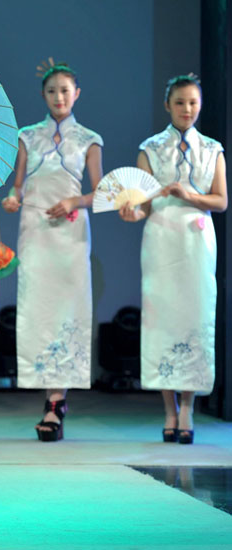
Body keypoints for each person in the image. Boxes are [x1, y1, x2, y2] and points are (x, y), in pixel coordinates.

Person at [119, 74, 226, 444]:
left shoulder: (213, 149)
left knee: (195, 319)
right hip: (162, 238)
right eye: (180, 102)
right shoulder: (150, 148)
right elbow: (143, 203)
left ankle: (188, 409)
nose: (187, 109)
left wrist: (192, 195)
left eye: (193, 103)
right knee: (162, 318)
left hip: (196, 241)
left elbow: (221, 200)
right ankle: (168, 409)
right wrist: (133, 211)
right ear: (168, 105)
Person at [2, 64, 103, 441]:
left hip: (71, 234)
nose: (59, 98)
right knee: (38, 311)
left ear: (77, 93)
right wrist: (13, 200)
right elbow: (18, 186)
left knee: (68, 311)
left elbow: (101, 191)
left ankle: (56, 402)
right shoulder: (27, 136)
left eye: (65, 91)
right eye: (51, 92)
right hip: (36, 232)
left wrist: (75, 200)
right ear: (43, 96)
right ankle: (51, 397)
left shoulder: (89, 139)